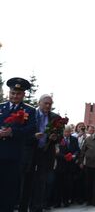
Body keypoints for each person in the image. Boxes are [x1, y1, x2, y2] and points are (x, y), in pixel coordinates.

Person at [0, 77, 37, 212]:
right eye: (12, 93)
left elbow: (31, 129)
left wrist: (12, 132)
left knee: (10, 190)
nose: (15, 96)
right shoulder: (1, 107)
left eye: (18, 93)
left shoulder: (29, 111)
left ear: (23, 94)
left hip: (14, 156)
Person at [53, 126, 79, 207]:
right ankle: (57, 202)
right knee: (58, 185)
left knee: (67, 185)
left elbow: (77, 150)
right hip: (60, 165)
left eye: (68, 131)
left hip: (70, 166)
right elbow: (56, 152)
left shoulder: (74, 139)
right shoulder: (59, 139)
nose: (67, 133)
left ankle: (66, 201)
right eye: (65, 132)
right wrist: (64, 157)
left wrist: (74, 155)